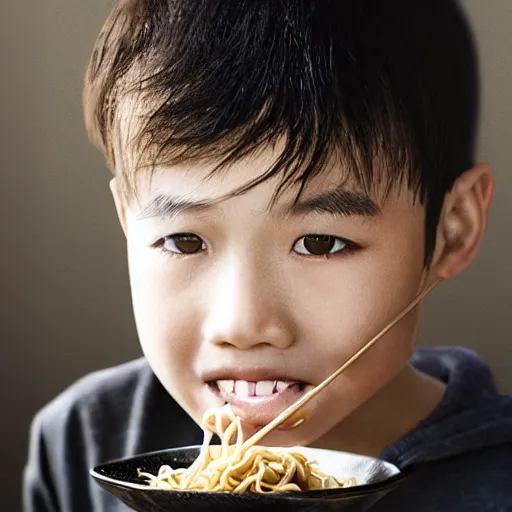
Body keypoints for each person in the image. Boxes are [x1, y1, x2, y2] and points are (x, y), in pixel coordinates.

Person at [24, 0, 512, 510]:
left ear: (451, 230)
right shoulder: (82, 438)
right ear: (128, 222)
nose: (244, 323)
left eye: (321, 243)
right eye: (184, 240)